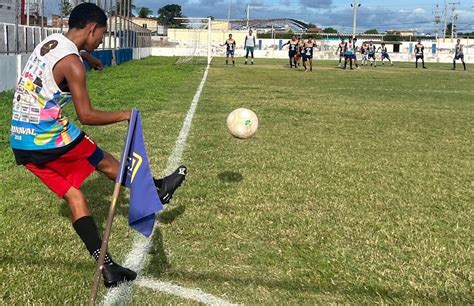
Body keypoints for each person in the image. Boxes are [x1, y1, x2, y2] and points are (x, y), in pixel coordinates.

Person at [9, 3, 187, 288]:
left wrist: (88, 56)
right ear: (91, 28)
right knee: (101, 159)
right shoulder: (72, 64)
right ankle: (155, 187)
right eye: (101, 34)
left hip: (21, 141)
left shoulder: (51, 42)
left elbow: (72, 52)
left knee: (75, 197)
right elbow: (86, 116)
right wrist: (124, 115)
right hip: (47, 136)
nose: (102, 40)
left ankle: (108, 269)